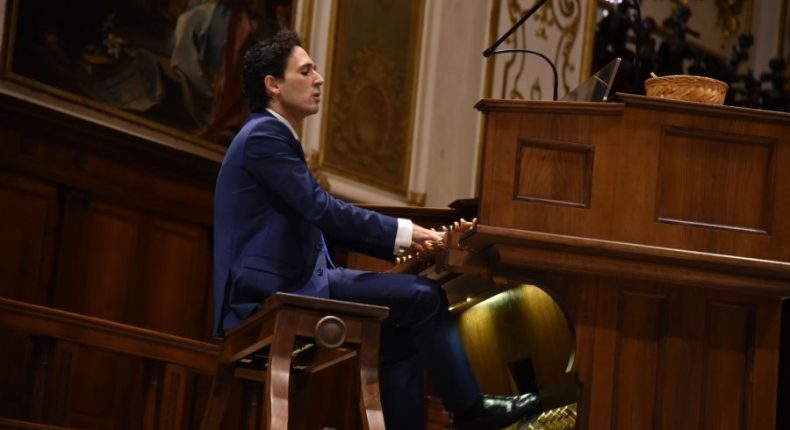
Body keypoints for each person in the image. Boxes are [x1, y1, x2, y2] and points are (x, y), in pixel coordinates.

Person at [212, 29, 541, 429]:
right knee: (425, 296)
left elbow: (321, 213)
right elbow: (323, 210)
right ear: (273, 85)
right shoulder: (265, 134)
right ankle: (471, 412)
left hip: (296, 279)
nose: (319, 79)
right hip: (273, 289)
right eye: (306, 70)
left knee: (398, 334)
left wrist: (405, 237)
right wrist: (410, 234)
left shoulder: (269, 135)